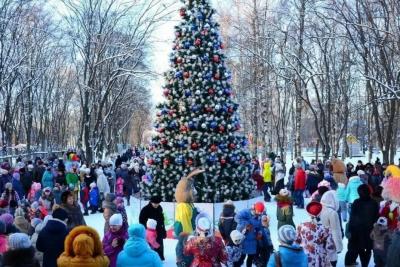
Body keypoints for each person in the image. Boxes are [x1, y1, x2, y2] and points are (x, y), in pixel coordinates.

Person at [345, 184, 379, 267]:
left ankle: (351, 263)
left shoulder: (356, 202)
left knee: (357, 248)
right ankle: (365, 265)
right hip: (369, 231)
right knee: (367, 249)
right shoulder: (374, 203)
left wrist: (350, 230)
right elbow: (376, 217)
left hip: (357, 231)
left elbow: (352, 217)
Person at [296, 201, 336, 267]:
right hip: (321, 259)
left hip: (305, 258)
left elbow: (296, 242)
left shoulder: (301, 226)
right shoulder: (325, 229)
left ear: (308, 213)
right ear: (320, 213)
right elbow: (330, 247)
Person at [235, 201, 265, 267]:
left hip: (253, 240)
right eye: (258, 212)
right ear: (254, 208)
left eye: (260, 212)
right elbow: (236, 218)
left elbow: (260, 227)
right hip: (243, 239)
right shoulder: (246, 212)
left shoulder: (259, 216)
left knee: (250, 258)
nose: (259, 214)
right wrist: (246, 224)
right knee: (241, 258)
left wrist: (259, 233)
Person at [138, 195, 167, 260]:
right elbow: (141, 221)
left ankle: (159, 258)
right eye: (155, 203)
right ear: (151, 202)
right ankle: (150, 259)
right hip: (149, 232)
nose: (156, 205)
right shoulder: (145, 209)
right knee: (150, 245)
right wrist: (146, 229)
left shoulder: (159, 208)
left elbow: (162, 220)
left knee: (159, 244)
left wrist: (163, 231)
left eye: (158, 203)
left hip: (159, 230)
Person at [320, 190, 343, 266]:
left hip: (320, 237)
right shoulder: (332, 213)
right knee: (332, 256)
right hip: (330, 239)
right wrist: (339, 246)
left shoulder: (319, 208)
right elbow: (335, 230)